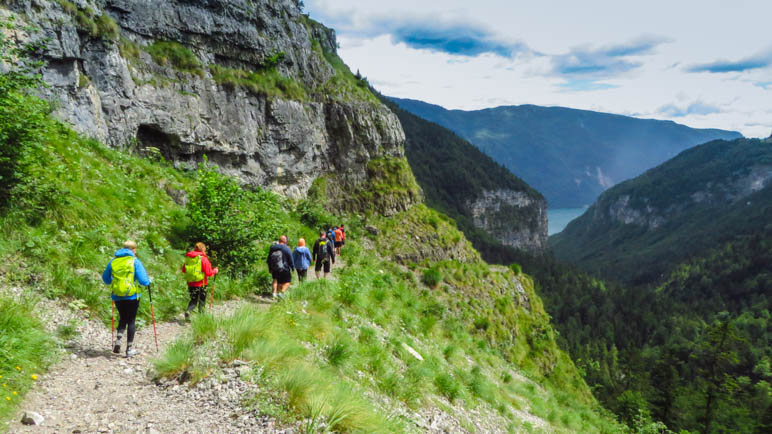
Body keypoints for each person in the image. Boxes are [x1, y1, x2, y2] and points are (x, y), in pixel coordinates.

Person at [102, 240, 151, 358]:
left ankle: (118, 341)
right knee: (131, 320)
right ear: (133, 250)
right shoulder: (135, 261)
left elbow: (105, 279)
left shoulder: (113, 261)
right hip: (132, 296)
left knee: (123, 317)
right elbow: (144, 281)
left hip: (117, 295)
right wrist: (149, 281)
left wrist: (114, 282)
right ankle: (129, 349)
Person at [181, 242, 219, 319]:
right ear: (203, 249)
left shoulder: (189, 258)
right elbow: (208, 273)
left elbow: (184, 270)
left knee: (193, 300)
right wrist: (215, 271)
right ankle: (201, 317)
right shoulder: (203, 259)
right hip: (201, 284)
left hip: (191, 283)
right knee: (202, 301)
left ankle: (188, 310)